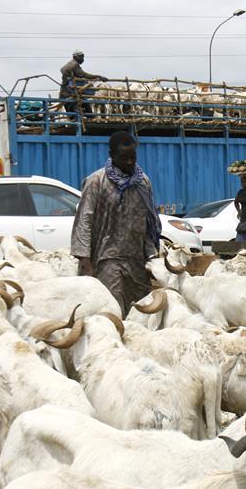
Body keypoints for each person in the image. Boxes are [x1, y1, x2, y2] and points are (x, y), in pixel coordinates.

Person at [71, 131, 161, 314]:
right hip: (106, 259)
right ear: (111, 155)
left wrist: (152, 257)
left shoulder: (142, 183)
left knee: (140, 310)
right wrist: (85, 260)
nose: (129, 162)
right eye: (124, 157)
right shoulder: (96, 181)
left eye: (132, 157)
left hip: (136, 260)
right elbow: (84, 219)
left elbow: (149, 222)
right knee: (112, 309)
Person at [60, 50, 107, 116]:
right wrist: (99, 76)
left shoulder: (69, 64)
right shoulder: (74, 65)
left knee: (71, 107)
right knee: (84, 104)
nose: (83, 59)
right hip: (72, 91)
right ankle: (89, 117)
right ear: (75, 57)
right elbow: (85, 75)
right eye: (81, 57)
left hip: (65, 91)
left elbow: (62, 70)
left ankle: (76, 118)